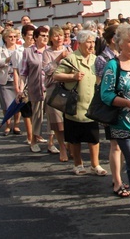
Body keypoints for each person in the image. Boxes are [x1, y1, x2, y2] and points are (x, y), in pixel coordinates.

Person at [100, 24, 130, 216]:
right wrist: (128, 103)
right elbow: (106, 95)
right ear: (120, 44)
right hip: (124, 124)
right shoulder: (113, 65)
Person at [52, 30, 106, 176]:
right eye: (88, 42)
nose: (91, 45)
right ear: (80, 43)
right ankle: (78, 164)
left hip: (91, 106)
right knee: (75, 138)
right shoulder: (71, 58)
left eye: (93, 42)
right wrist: (72, 76)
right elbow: (56, 75)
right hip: (75, 105)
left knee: (94, 137)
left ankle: (95, 165)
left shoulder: (96, 59)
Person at [17, 25, 51, 153]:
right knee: (37, 116)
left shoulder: (50, 51)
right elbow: (23, 72)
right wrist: (20, 89)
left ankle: (51, 143)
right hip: (36, 87)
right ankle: (33, 141)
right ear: (35, 37)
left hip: (50, 87)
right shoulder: (28, 52)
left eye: (47, 36)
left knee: (52, 117)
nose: (45, 38)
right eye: (42, 36)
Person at [42, 25, 71, 160]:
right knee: (57, 121)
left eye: (61, 35)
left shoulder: (69, 50)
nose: (59, 38)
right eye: (56, 36)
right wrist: (58, 58)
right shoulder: (47, 53)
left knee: (69, 119)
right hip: (54, 89)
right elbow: (47, 70)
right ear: (51, 38)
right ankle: (62, 147)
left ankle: (69, 143)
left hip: (68, 88)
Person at [0, 27, 21, 136]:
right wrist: (7, 59)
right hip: (5, 79)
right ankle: (8, 125)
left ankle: (17, 125)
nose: (13, 39)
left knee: (18, 103)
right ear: (5, 38)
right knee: (6, 104)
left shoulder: (19, 48)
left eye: (14, 37)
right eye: (10, 37)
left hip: (17, 79)